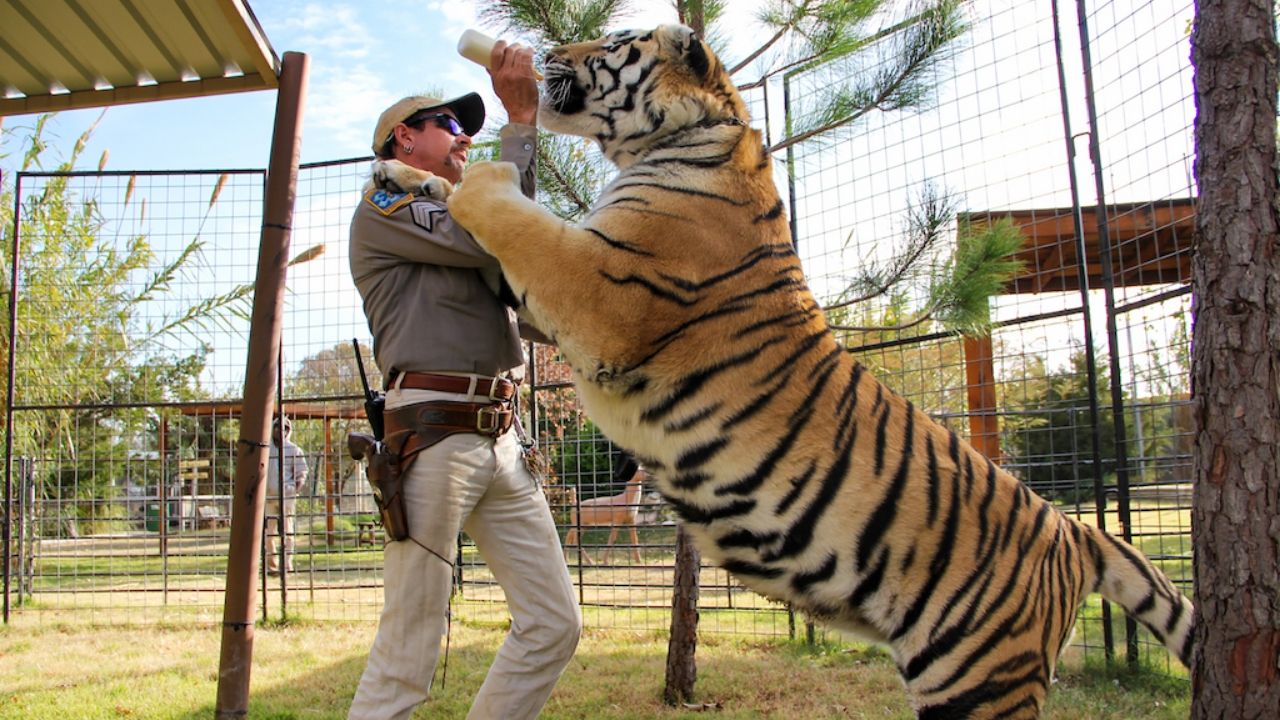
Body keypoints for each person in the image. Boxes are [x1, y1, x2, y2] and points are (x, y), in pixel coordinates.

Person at [347, 39, 581, 720]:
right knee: (408, 655)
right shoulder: (387, 208)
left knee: (554, 624)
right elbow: (495, 234)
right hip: (433, 432)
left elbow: (522, 245)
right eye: (449, 124)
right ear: (404, 138)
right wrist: (520, 125)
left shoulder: (459, 216)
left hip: (503, 437)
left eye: (470, 128)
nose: (464, 137)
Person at [265, 415, 308, 576]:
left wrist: (295, 488)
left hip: (287, 497)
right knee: (269, 534)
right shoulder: (266, 448)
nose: (280, 430)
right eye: (277, 426)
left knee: (288, 532)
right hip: (268, 497)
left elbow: (302, 472)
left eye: (285, 427)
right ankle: (272, 566)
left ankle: (287, 565)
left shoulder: (294, 449)